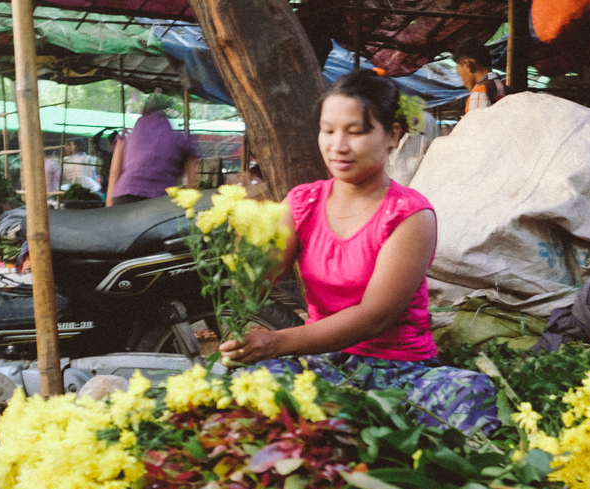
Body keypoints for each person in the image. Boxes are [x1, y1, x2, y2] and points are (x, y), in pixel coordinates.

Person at [217, 69, 499, 435]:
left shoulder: (411, 215)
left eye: (356, 131)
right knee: (243, 385)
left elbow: (374, 317)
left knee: (466, 396)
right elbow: (257, 280)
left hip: (399, 371)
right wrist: (245, 233)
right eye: (328, 130)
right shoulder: (303, 201)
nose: (338, 146)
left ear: (392, 136)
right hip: (323, 361)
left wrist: (277, 342)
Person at [106, 93, 199, 206]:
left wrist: (109, 209)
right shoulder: (178, 138)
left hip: (125, 195)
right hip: (160, 199)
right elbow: (192, 182)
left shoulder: (128, 137)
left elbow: (115, 173)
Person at [453, 39, 506, 115]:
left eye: (460, 75)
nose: (462, 83)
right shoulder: (503, 86)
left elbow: (476, 126)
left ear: (468, 65)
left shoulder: (480, 93)